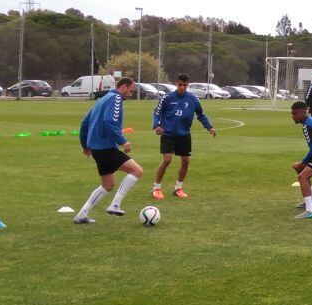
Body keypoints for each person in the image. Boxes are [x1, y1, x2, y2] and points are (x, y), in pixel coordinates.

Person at [74, 77, 143, 224]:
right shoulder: (116, 99)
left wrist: (85, 145)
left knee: (108, 185)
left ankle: (82, 214)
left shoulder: (102, 100)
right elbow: (109, 121)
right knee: (137, 171)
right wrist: (123, 140)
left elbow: (84, 122)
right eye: (130, 91)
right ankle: (115, 204)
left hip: (97, 150)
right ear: (124, 87)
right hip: (106, 148)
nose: (130, 94)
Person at [151, 73, 216, 200]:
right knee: (167, 160)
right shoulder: (167, 97)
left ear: (188, 85)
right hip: (168, 133)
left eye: (185, 85)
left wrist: (209, 127)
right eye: (180, 85)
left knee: (185, 161)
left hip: (184, 134)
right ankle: (156, 188)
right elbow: (157, 112)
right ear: (176, 83)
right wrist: (156, 125)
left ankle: (178, 188)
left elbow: (201, 115)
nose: (182, 87)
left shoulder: (193, 99)